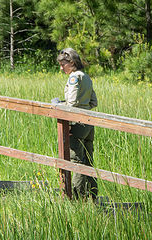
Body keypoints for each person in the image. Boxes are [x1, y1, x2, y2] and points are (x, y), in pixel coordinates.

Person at [53, 48, 98, 200]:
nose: (61, 68)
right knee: (88, 159)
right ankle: (92, 195)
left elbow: (71, 104)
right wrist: (83, 108)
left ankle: (78, 197)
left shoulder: (74, 77)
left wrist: (58, 105)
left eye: (63, 64)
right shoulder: (86, 76)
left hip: (77, 123)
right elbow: (94, 102)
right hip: (89, 122)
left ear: (71, 63)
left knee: (77, 160)